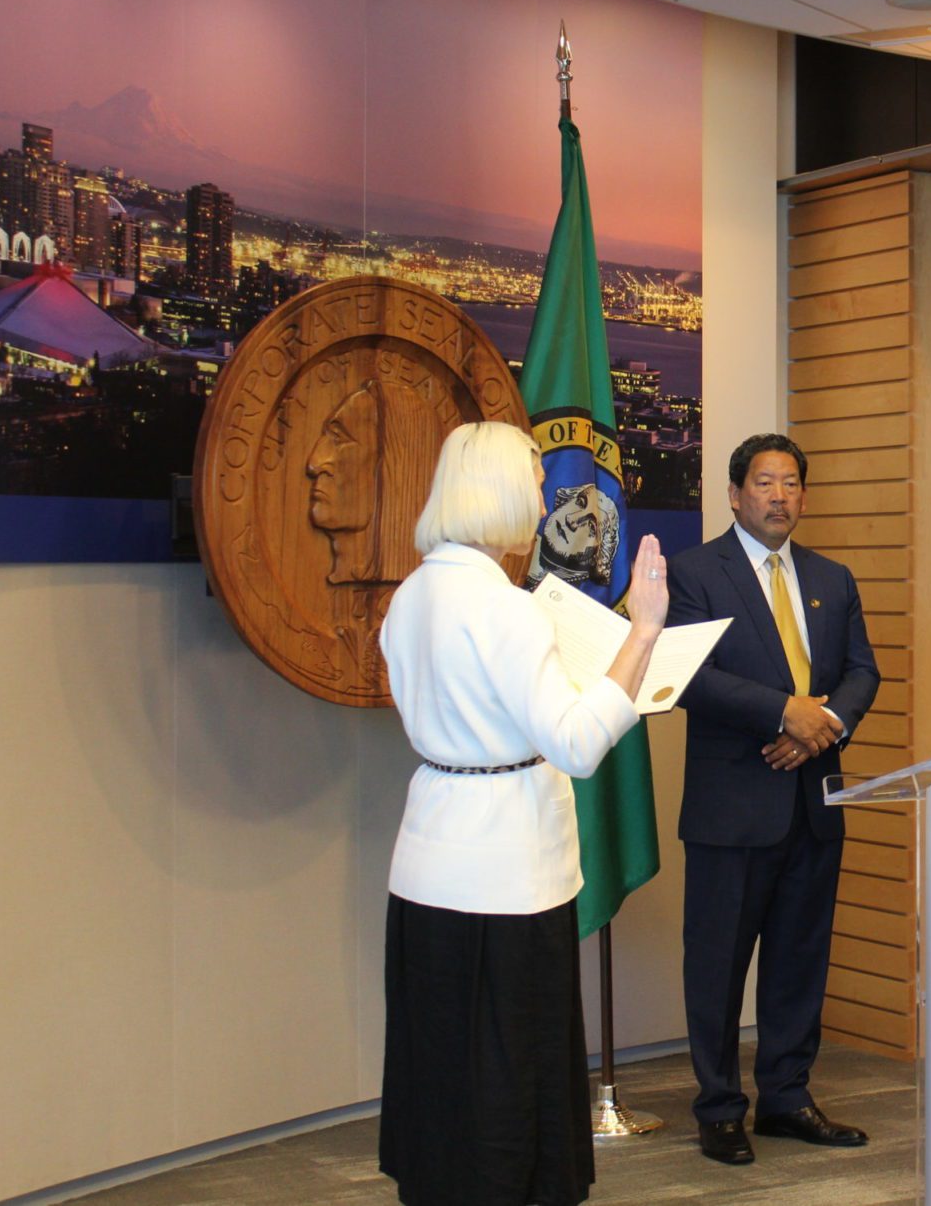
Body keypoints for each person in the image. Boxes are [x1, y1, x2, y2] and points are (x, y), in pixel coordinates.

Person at [377, 421, 669, 1206]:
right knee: (512, 1079)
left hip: (429, 863)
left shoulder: (412, 593)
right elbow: (575, 744)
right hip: (508, 876)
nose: (545, 497)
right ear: (504, 491)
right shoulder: (504, 609)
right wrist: (642, 634)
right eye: (536, 482)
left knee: (440, 1072)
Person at [669, 432, 882, 1167]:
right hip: (732, 811)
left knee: (799, 961)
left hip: (812, 802)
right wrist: (782, 712)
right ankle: (719, 1107)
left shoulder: (832, 576)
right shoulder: (695, 572)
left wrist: (819, 728)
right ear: (735, 494)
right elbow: (688, 676)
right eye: (764, 483)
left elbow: (862, 674)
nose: (779, 496)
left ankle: (787, 1098)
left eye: (791, 483)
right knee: (718, 967)